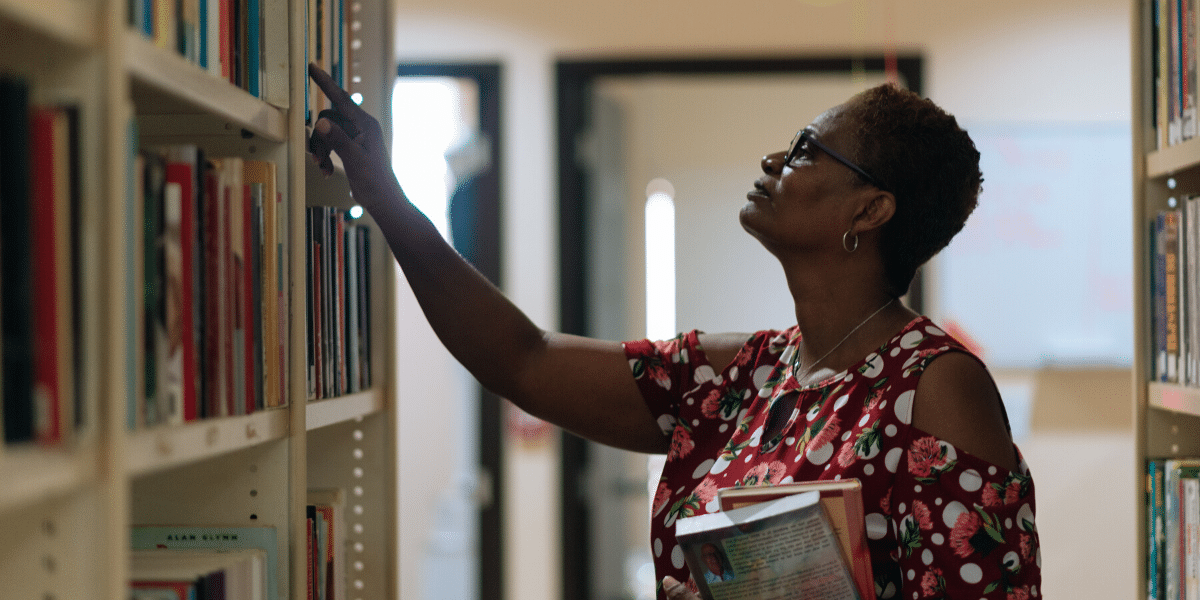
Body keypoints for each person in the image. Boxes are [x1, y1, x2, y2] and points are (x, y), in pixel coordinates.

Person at [307, 63, 1041, 600]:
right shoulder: (739, 378)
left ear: (870, 211)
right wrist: (385, 197)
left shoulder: (936, 387)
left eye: (806, 151)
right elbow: (520, 360)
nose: (773, 162)